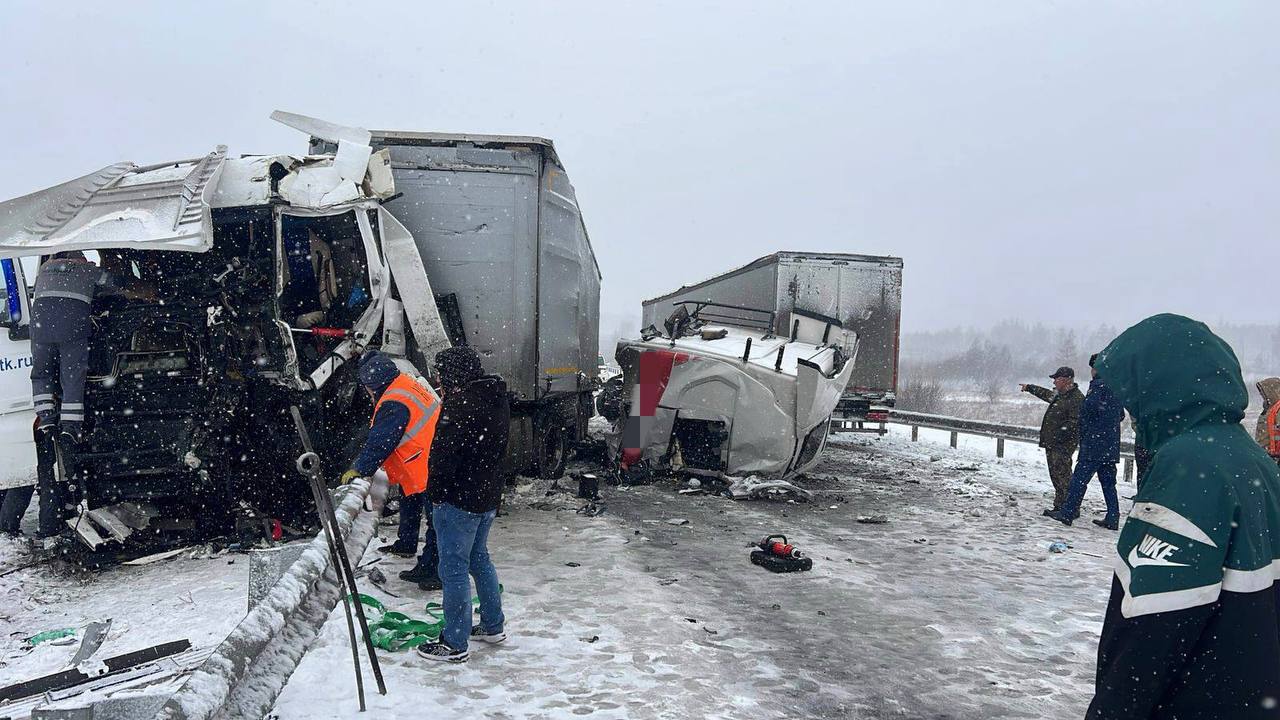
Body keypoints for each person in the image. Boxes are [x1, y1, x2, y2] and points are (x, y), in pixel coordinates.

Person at [1084, 314, 1280, 719]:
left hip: (1192, 701)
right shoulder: (1254, 460)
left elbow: (1151, 631)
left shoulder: (1189, 469)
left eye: (1133, 393)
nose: (1131, 410)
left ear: (1158, 389)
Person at [416, 346, 510, 664]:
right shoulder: (495, 398)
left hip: (459, 499)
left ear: (453, 373)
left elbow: (443, 456)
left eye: (441, 373)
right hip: (486, 497)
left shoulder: (459, 404)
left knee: (453, 568)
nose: (438, 379)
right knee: (478, 559)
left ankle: (455, 642)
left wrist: (436, 493)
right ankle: (493, 625)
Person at [341, 351, 443, 590]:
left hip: (424, 462)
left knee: (436, 522)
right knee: (412, 501)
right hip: (428, 456)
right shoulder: (405, 382)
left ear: (371, 385)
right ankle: (406, 543)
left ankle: (433, 571)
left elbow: (381, 442)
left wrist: (359, 468)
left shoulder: (393, 402)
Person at [29, 252, 114, 441]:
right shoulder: (89, 269)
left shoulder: (44, 268)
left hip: (40, 328)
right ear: (82, 258)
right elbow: (115, 283)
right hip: (71, 328)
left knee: (41, 373)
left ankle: (46, 421)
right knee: (72, 376)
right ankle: (70, 428)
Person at [1048, 354, 1125, 529]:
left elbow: (1087, 412)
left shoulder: (1098, 387)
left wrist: (1090, 430)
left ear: (1096, 369)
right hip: (1111, 445)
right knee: (1108, 483)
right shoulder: (1116, 387)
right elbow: (1120, 414)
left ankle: (1067, 513)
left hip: (1094, 444)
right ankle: (1113, 517)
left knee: (1078, 480)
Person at [1021, 366, 1085, 515]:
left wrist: (1059, 435)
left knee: (1063, 476)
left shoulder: (1076, 398)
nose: (1054, 382)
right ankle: (1060, 506)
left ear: (1066, 380)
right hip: (1053, 443)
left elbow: (1074, 422)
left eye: (1057, 379)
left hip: (1062, 445)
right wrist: (1030, 388)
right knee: (1056, 475)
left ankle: (1069, 508)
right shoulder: (1061, 395)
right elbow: (1046, 394)